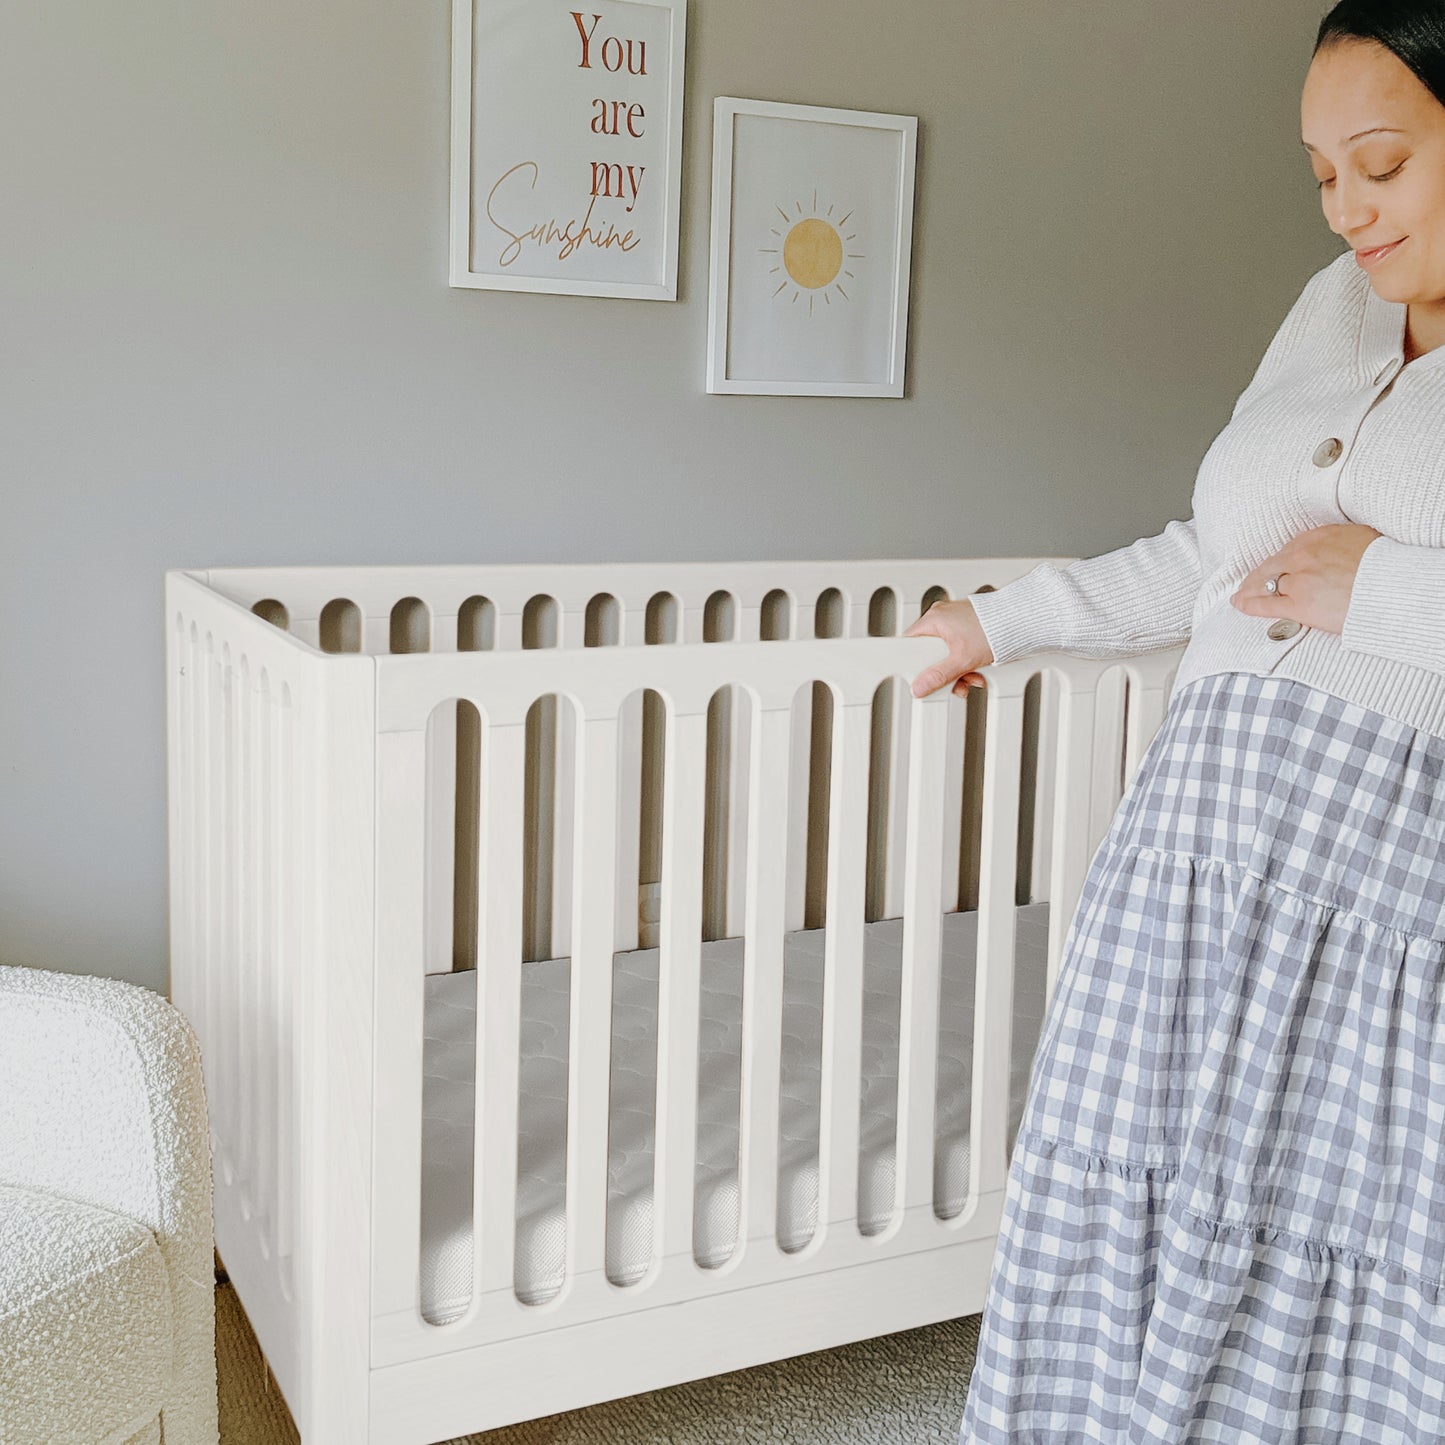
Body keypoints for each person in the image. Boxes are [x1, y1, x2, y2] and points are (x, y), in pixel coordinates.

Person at [905, 4, 1445, 1439]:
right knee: (1120, 1173)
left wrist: (1382, 591)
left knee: (1319, 1219)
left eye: (1379, 165)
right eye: (1320, 173)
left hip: (1378, 882)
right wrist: (998, 619)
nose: (1345, 212)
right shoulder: (1330, 311)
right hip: (1190, 850)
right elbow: (1213, 551)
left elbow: (1343, 579)